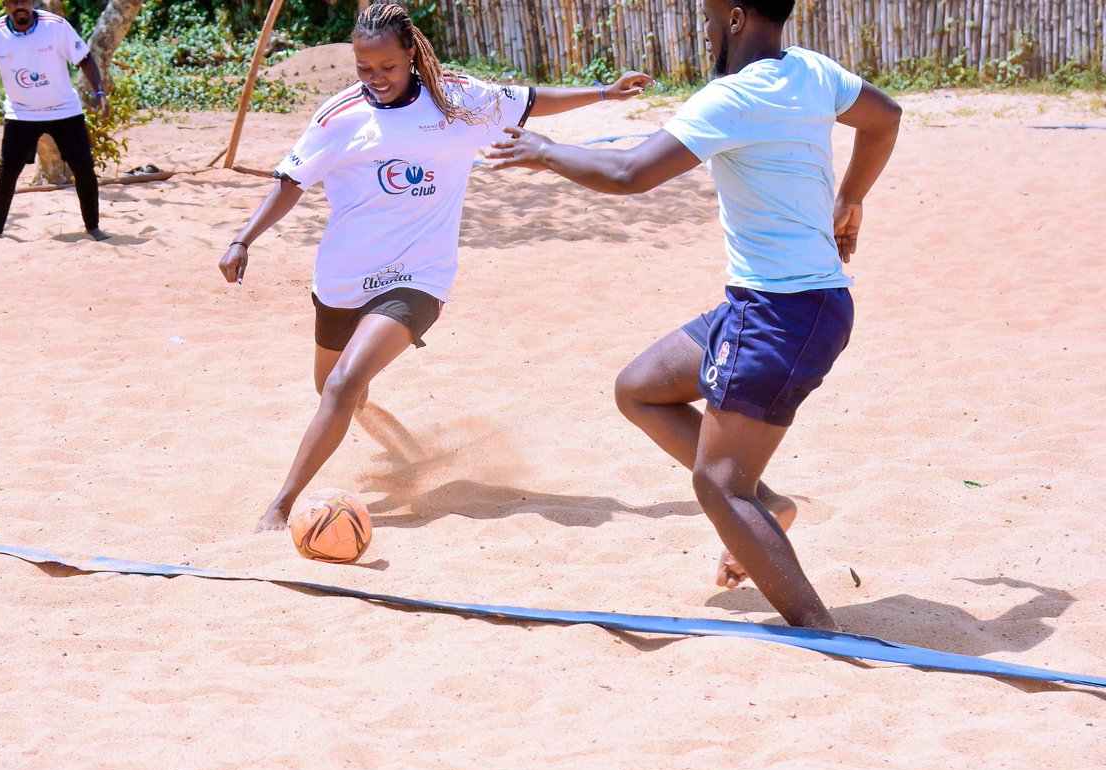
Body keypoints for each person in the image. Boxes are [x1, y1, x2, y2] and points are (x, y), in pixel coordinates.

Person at [488, 0, 901, 630]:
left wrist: (546, 150)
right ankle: (767, 506)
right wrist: (851, 198)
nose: (702, 26)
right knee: (641, 389)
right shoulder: (812, 72)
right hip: (781, 304)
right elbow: (886, 117)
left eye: (708, 15)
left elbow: (629, 174)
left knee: (717, 486)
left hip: (780, 316)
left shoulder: (731, 98)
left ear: (735, 19)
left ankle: (818, 627)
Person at [217, 2, 653, 532]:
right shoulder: (340, 116)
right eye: (364, 68)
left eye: (388, 68)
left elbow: (532, 101)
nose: (375, 79)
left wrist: (606, 91)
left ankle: (281, 504)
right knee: (335, 390)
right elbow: (290, 184)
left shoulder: (457, 99)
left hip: (419, 277)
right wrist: (243, 239)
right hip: (342, 278)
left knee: (342, 384)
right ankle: (403, 450)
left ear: (412, 57)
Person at [0, 0, 108, 241]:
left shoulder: (56, 26)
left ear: (31, 2)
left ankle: (92, 227)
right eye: (13, 1)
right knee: (8, 171)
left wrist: (100, 93)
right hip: (22, 113)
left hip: (64, 110)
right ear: (5, 4)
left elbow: (84, 59)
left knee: (84, 167)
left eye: (24, 0)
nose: (19, 5)